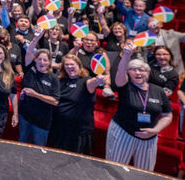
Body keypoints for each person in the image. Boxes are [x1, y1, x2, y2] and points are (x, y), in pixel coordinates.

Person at [106, 43, 172, 171]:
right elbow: (120, 72)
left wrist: (156, 129)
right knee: (114, 170)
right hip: (123, 133)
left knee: (144, 173)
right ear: (129, 72)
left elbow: (167, 115)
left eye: (141, 69)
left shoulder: (158, 91)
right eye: (133, 69)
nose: (138, 72)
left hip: (149, 138)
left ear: (148, 73)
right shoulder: (125, 86)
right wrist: (126, 55)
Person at [49, 54, 105, 154]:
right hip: (60, 129)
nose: (69, 67)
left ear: (79, 66)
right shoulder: (61, 81)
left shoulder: (85, 81)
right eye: (66, 65)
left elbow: (92, 83)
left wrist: (98, 80)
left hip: (79, 132)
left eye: (72, 64)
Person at [18, 28, 60, 146]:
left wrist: (35, 95)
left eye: (45, 60)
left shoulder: (53, 78)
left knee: (38, 152)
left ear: (49, 62)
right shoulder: (30, 68)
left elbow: (55, 101)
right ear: (35, 59)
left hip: (42, 122)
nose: (42, 62)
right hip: (25, 117)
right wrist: (38, 37)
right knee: (21, 145)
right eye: (39, 59)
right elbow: (29, 51)